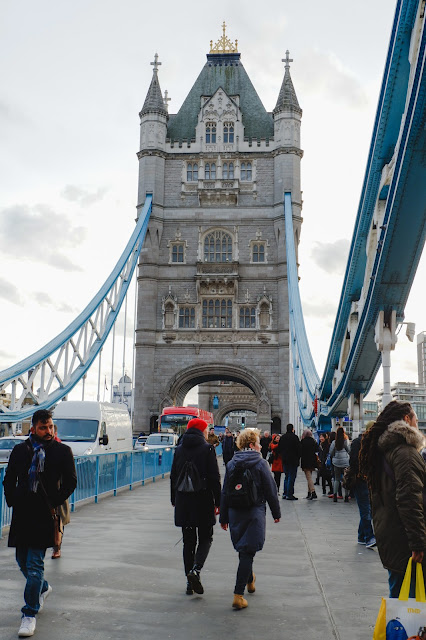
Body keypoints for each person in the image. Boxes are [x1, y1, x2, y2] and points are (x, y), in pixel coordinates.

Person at [3, 409, 77, 638]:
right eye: (44, 428)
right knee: (22, 561)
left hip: (45, 514)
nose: (49, 431)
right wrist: (12, 499)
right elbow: (9, 478)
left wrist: (55, 501)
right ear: (33, 428)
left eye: (51, 427)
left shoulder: (62, 451)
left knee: (34, 565)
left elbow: (71, 481)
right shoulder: (20, 450)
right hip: (22, 513)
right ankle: (43, 588)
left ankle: (29, 614)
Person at [359, 400, 426, 598]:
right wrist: (418, 543)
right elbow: (409, 501)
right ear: (407, 419)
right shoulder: (405, 453)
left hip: (391, 533)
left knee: (399, 596)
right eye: (415, 418)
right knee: (410, 603)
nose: (417, 423)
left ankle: (395, 629)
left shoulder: (385, 451)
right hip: (404, 539)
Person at [220, 428, 281, 609]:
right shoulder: (260, 463)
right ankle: (238, 595)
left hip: (234, 511)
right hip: (254, 511)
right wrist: (276, 513)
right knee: (248, 550)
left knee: (245, 549)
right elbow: (271, 490)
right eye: (258, 443)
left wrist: (223, 517)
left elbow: (225, 492)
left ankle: (250, 578)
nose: (261, 446)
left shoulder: (231, 463)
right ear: (252, 445)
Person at [170, 418, 221, 596]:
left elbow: (173, 475)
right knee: (206, 538)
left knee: (188, 541)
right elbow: (214, 478)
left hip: (183, 500)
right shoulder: (207, 449)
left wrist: (174, 499)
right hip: (203, 499)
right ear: (201, 431)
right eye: (206, 430)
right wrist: (218, 501)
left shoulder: (179, 449)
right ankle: (196, 570)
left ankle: (188, 583)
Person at [349, 422, 375, 548]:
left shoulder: (362, 443)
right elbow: (353, 462)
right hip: (361, 480)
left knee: (366, 508)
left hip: (366, 480)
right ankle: (369, 537)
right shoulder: (360, 443)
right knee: (366, 509)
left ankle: (361, 536)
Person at [50, 424, 71, 560]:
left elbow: (70, 477)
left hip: (58, 492)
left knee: (57, 521)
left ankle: (57, 547)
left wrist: (62, 493)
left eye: (51, 428)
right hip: (43, 493)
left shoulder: (62, 450)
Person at [277, 423, 301, 500]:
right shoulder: (295, 437)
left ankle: (285, 493)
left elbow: (279, 448)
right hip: (293, 460)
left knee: (286, 476)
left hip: (285, 460)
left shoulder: (283, 437)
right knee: (292, 476)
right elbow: (298, 449)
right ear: (292, 429)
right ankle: (289, 494)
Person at [329, 426, 350, 503]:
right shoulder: (345, 441)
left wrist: (335, 456)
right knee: (346, 479)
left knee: (336, 479)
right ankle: (346, 496)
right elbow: (349, 450)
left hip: (336, 463)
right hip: (345, 463)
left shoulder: (334, 442)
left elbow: (331, 453)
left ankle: (335, 496)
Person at [300, 428, 319, 500]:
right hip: (312, 461)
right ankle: (309, 493)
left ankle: (313, 492)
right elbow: (317, 449)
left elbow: (300, 451)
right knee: (309, 477)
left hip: (305, 461)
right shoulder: (313, 441)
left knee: (308, 477)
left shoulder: (303, 441)